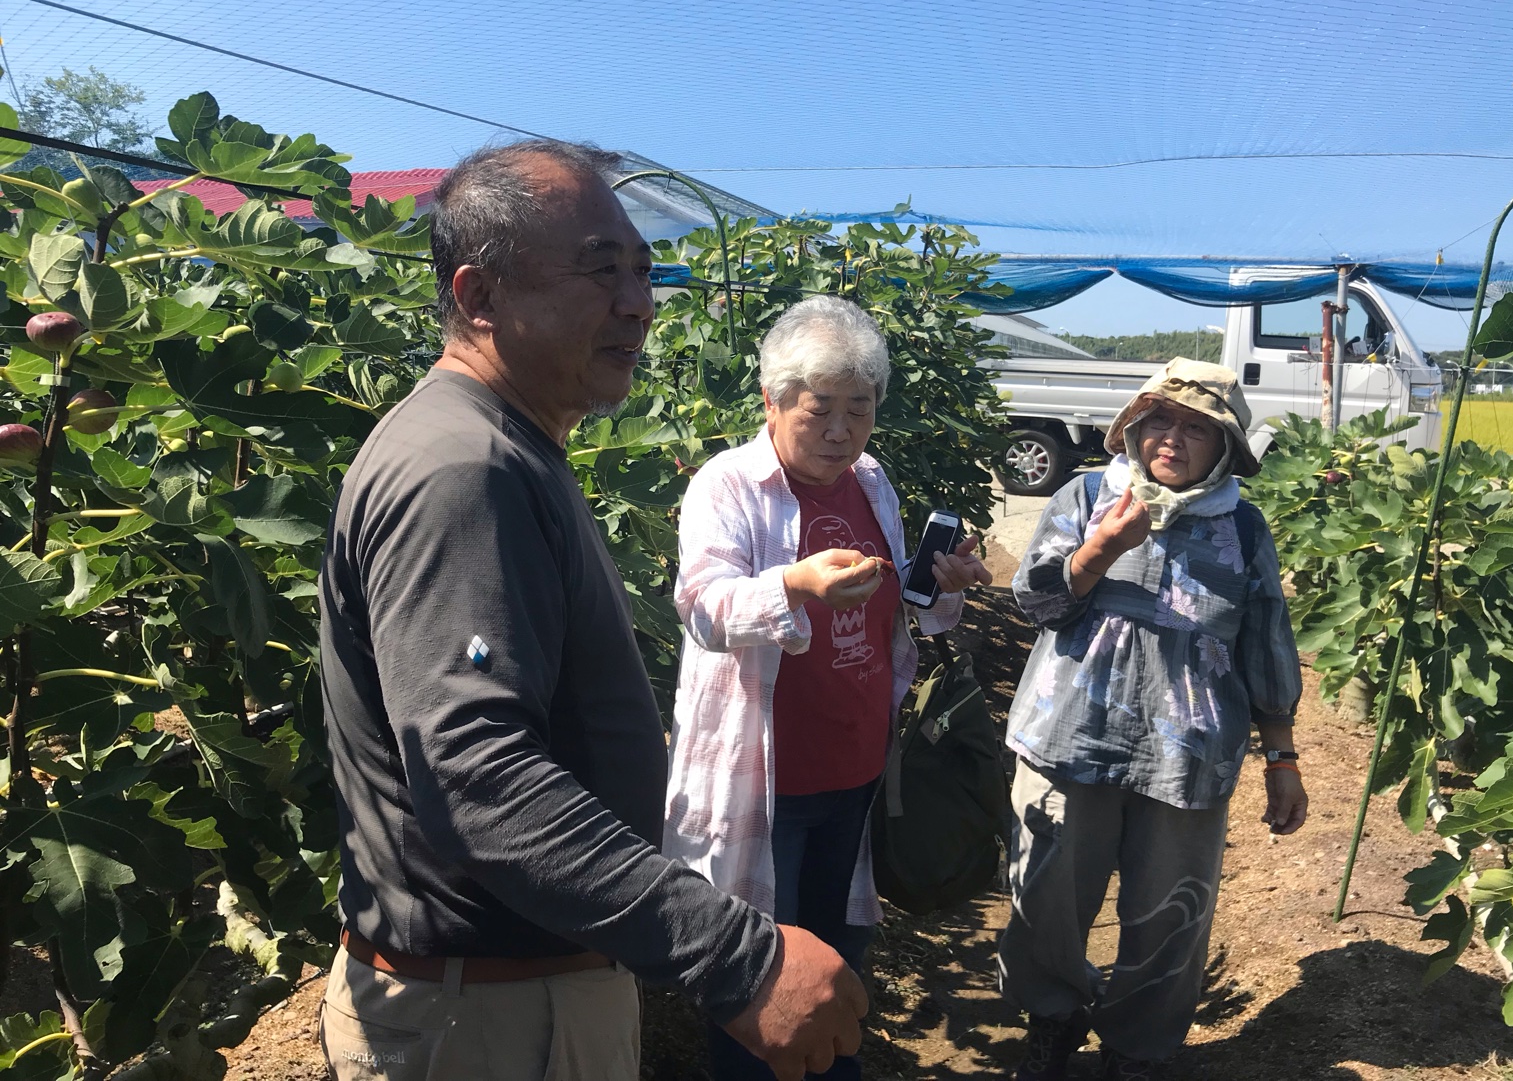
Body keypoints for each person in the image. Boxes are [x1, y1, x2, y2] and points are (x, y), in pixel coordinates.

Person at [318, 140, 866, 1081]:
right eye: (599, 269)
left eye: (643, 271)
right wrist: (735, 956)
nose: (637, 302)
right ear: (480, 296)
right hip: (487, 1021)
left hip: (508, 1000)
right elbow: (477, 778)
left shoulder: (505, 446)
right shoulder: (465, 470)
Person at [662, 296, 992, 1080]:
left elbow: (906, 609)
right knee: (760, 980)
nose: (841, 431)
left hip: (854, 768)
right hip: (766, 782)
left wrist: (945, 585)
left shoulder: (871, 482)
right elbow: (703, 608)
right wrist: (796, 585)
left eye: (859, 409)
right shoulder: (729, 486)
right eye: (819, 411)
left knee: (837, 963)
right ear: (772, 403)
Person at [998, 358, 1308, 1081]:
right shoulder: (1083, 495)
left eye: (1197, 429)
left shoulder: (1239, 524)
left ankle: (1136, 1047)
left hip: (1187, 753)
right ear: (1132, 428)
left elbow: (1263, 640)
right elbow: (1034, 602)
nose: (1172, 438)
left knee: (1170, 910)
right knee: (1044, 893)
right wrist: (1102, 548)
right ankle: (1053, 1015)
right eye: (1159, 420)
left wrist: (1282, 757)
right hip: (1065, 735)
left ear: (1225, 449)